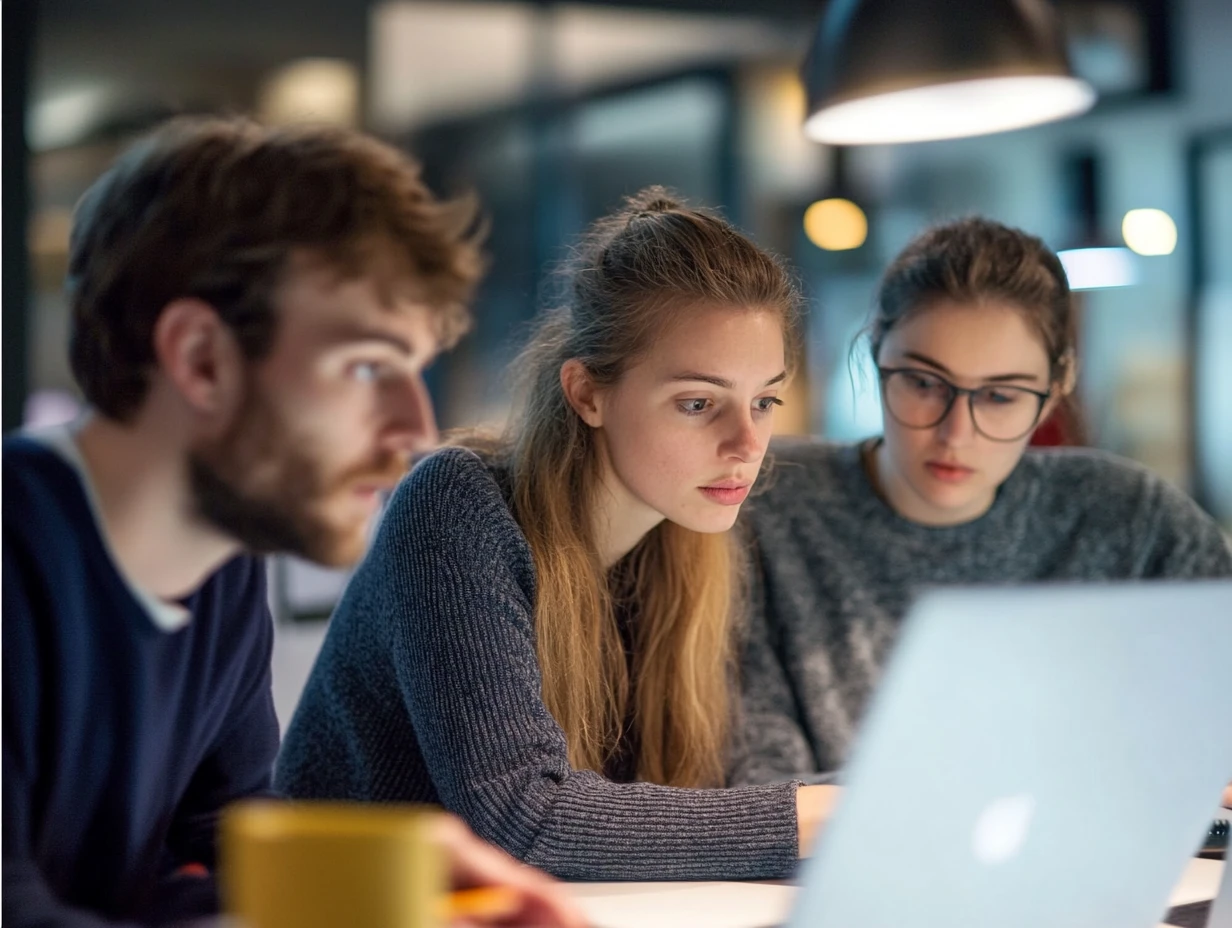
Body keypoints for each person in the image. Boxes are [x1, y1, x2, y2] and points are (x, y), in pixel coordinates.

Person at [3, 116, 582, 928]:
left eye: (414, 370)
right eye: (367, 367)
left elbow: (210, 854)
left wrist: (398, 887)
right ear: (202, 358)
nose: (414, 429)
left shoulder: (221, 564)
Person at [276, 188, 841, 880]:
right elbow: (524, 817)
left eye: (764, 402)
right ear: (587, 393)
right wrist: (839, 810)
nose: (747, 444)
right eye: (698, 403)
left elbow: (705, 804)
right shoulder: (455, 508)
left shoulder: (691, 538)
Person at [733, 217, 1232, 790]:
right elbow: (753, 784)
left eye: (999, 396)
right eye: (923, 383)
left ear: (1055, 391)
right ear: (875, 355)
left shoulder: (1132, 520)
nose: (956, 434)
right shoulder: (762, 501)